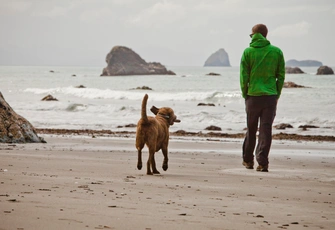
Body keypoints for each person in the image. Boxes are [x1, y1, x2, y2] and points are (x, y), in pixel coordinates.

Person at [240, 24, 285, 172]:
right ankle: (263, 162)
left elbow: (243, 77)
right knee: (266, 130)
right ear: (266, 34)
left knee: (251, 129)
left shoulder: (248, 52)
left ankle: (248, 160)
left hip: (253, 96)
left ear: (254, 34)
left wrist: (245, 93)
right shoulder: (277, 52)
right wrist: (277, 94)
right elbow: (281, 76)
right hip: (270, 96)